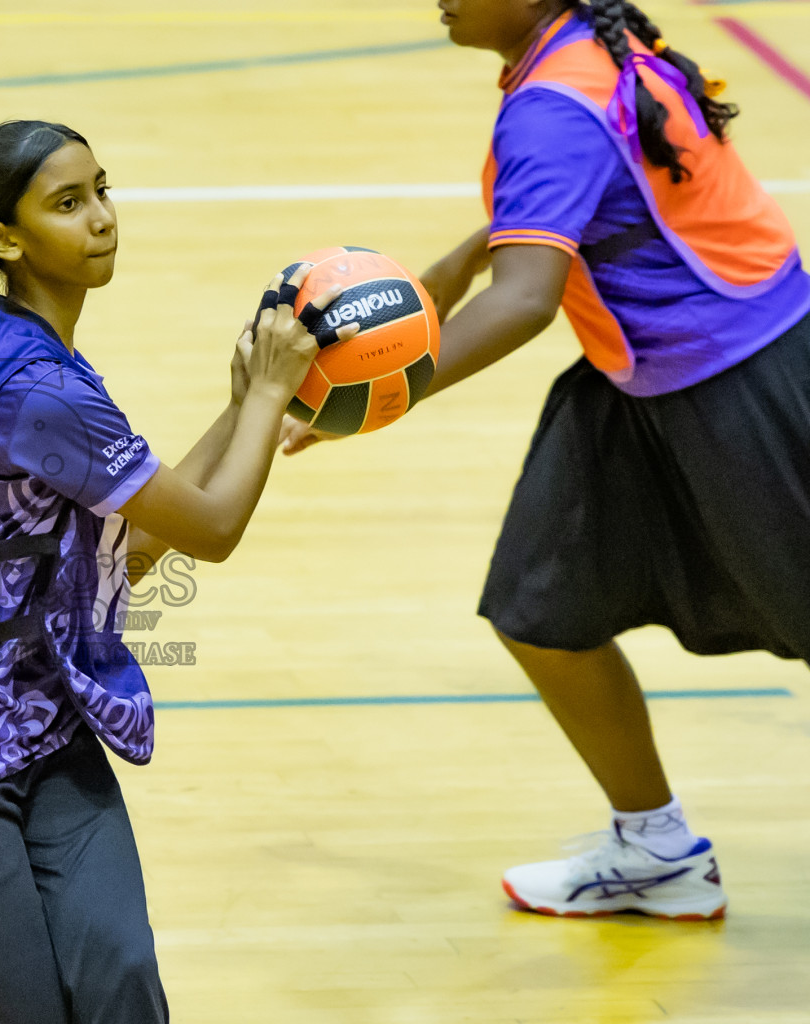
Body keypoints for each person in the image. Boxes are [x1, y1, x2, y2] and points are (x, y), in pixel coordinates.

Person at [0, 120, 349, 1021]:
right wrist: (271, 398)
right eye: (67, 202)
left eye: (102, 191)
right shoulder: (39, 390)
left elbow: (136, 527)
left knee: (122, 982)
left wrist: (246, 411)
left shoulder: (8, 339)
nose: (102, 218)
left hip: (45, 727)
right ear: (3, 241)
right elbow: (208, 530)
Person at [283, 0, 810, 919]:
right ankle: (656, 852)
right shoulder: (585, 49)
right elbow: (554, 211)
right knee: (543, 605)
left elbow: (527, 300)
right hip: (640, 378)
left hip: (743, 387)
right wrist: (441, 279)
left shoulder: (550, 104)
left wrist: (371, 397)